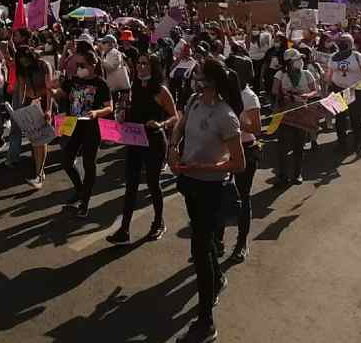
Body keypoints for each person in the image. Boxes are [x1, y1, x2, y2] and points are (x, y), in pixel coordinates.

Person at [169, 58, 245, 343]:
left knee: (201, 250)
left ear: (211, 80)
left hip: (211, 190)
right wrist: (172, 149)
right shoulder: (193, 101)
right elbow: (180, 126)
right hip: (189, 184)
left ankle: (206, 323)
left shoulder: (226, 115)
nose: (194, 77)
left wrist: (204, 169)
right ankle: (216, 281)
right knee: (206, 244)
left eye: (199, 74)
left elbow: (238, 163)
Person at [107, 53, 177, 245]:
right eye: (138, 63)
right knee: (131, 186)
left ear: (153, 67)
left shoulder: (161, 91)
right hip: (134, 140)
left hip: (154, 142)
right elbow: (131, 111)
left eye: (145, 64)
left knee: (153, 184)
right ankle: (124, 230)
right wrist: (122, 117)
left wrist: (161, 124)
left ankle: (158, 223)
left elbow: (175, 116)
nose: (140, 67)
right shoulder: (134, 87)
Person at [54, 48, 112, 218]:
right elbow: (61, 94)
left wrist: (96, 113)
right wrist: (51, 89)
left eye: (82, 65)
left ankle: (84, 202)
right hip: (71, 124)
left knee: (89, 164)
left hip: (91, 128)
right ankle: (79, 190)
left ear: (93, 65)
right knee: (66, 161)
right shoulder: (73, 81)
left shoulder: (101, 84)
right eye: (76, 65)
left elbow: (109, 107)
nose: (78, 68)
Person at [228, 61, 261, 263]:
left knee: (243, 196)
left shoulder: (250, 98)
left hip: (246, 150)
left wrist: (235, 119)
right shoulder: (224, 94)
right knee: (222, 195)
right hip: (224, 150)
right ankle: (219, 239)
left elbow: (256, 129)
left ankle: (241, 242)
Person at [9, 45, 54, 186]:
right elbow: (22, 88)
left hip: (43, 102)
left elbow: (49, 89)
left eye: (25, 59)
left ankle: (39, 174)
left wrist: (48, 109)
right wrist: (21, 109)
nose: (23, 62)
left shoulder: (43, 65)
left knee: (42, 139)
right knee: (35, 140)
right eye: (21, 60)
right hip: (30, 104)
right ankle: (39, 172)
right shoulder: (22, 69)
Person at [273, 48, 318, 185]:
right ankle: (283, 175)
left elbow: (316, 90)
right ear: (289, 62)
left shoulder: (307, 74)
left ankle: (297, 174)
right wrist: (286, 95)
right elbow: (274, 90)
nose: (300, 61)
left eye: (301, 59)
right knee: (283, 146)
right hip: (285, 113)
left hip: (302, 112)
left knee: (299, 145)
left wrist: (307, 95)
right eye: (297, 59)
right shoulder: (280, 74)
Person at [327, 33, 361, 157]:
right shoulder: (333, 57)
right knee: (339, 120)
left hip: (354, 92)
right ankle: (342, 143)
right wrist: (329, 87)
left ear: (351, 43)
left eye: (345, 41)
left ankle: (357, 143)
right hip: (337, 90)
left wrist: (359, 88)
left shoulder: (358, 56)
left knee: (355, 118)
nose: (342, 43)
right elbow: (329, 74)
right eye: (341, 41)